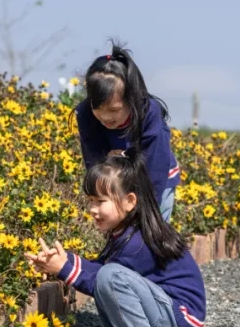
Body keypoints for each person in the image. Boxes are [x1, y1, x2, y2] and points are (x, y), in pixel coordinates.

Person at [26, 153, 206, 327]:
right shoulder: (126, 232)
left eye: (101, 201)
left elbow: (102, 279)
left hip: (179, 325)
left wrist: (63, 268)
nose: (93, 208)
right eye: (90, 200)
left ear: (130, 201)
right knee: (109, 274)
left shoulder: (139, 242)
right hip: (169, 317)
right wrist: (63, 261)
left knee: (110, 277)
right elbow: (99, 270)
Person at [74, 42, 181, 222]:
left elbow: (155, 166)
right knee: (120, 236)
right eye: (98, 108)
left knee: (155, 237)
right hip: (117, 184)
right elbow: (94, 161)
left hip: (156, 181)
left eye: (114, 110)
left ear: (132, 100)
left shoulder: (149, 113)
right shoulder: (85, 114)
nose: (106, 117)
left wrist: (146, 212)